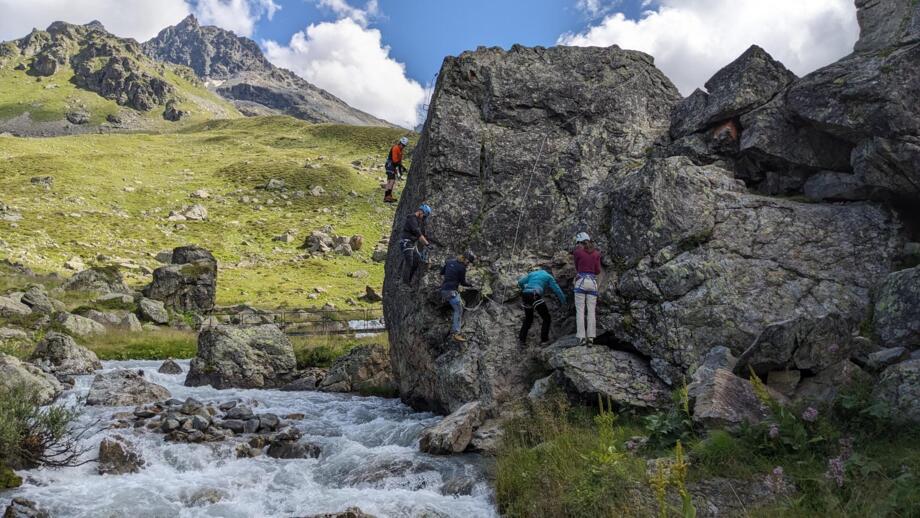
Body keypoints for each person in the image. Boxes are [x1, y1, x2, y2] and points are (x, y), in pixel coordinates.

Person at [517, 266, 566, 346]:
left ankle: (521, 341)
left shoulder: (533, 274)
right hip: (535, 295)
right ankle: (544, 340)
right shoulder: (548, 277)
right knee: (546, 318)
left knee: (528, 319)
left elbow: (520, 282)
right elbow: (557, 289)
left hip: (525, 295)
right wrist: (564, 301)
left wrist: (524, 289)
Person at [440, 251, 477, 342]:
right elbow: (463, 282)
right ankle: (456, 333)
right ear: (465, 259)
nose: (468, 265)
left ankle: (456, 325)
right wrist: (471, 285)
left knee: (459, 303)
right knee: (459, 310)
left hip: (444, 290)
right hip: (451, 292)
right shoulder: (462, 268)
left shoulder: (449, 261)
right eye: (468, 262)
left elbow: (442, 272)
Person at [573, 232, 601, 345]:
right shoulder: (596, 253)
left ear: (579, 242)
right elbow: (598, 270)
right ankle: (591, 337)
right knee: (591, 311)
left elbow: (576, 266)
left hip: (581, 281)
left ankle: (581, 337)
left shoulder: (577, 252)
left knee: (580, 311)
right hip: (593, 283)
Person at [400, 203, 431, 284]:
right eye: (424, 216)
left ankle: (408, 281)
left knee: (416, 261)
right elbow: (418, 234)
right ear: (421, 212)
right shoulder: (412, 219)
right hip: (406, 243)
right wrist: (427, 245)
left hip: (411, 244)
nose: (423, 218)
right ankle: (405, 283)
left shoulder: (416, 220)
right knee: (409, 262)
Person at [384, 136, 409, 203]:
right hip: (390, 165)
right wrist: (402, 167)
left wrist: (401, 170)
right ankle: (387, 196)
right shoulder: (395, 148)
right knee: (391, 180)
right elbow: (395, 161)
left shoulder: (400, 151)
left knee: (390, 180)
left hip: (392, 166)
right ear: (400, 143)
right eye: (402, 145)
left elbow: (399, 162)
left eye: (404, 146)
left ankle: (387, 196)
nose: (403, 147)